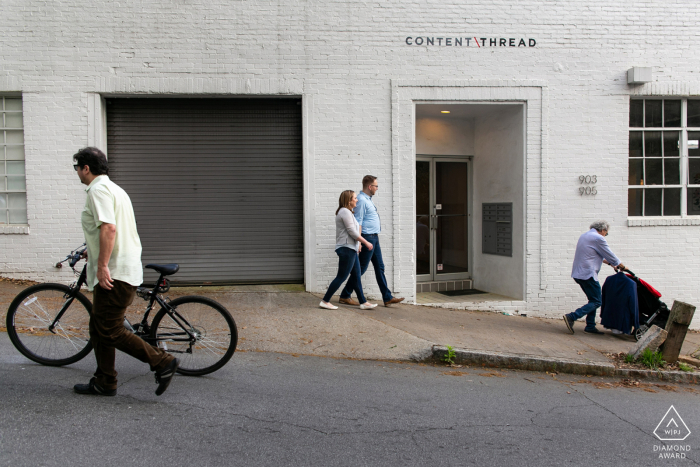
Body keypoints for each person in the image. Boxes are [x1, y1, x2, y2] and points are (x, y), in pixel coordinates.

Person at [72, 147, 178, 397]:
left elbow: (109, 228)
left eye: (77, 167)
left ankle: (162, 362)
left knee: (110, 329)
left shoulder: (97, 190)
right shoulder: (115, 189)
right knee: (99, 327)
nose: (76, 172)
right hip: (122, 266)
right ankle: (105, 381)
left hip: (114, 272)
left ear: (86, 168)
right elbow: (111, 229)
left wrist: (101, 265)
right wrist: (94, 252)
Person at [338, 176, 405, 307]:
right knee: (361, 269)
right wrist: (359, 243)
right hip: (367, 238)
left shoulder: (367, 199)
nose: (377, 188)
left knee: (380, 267)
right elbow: (358, 222)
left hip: (374, 238)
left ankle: (387, 297)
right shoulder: (362, 200)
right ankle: (345, 295)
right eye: (376, 186)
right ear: (370, 187)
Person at [564, 220, 625, 335]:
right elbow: (609, 253)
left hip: (579, 274)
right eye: (606, 233)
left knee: (593, 299)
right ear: (603, 230)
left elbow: (596, 255)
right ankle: (572, 316)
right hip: (588, 274)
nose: (605, 235)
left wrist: (612, 264)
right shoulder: (598, 238)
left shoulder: (585, 236)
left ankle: (590, 326)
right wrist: (620, 264)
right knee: (597, 301)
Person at [320, 190, 377, 310]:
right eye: (355, 198)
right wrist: (365, 242)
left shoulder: (348, 212)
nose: (357, 200)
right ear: (349, 200)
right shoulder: (344, 212)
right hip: (346, 249)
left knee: (356, 276)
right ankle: (325, 301)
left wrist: (358, 245)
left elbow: (353, 231)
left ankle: (363, 302)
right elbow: (352, 231)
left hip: (351, 249)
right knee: (341, 276)